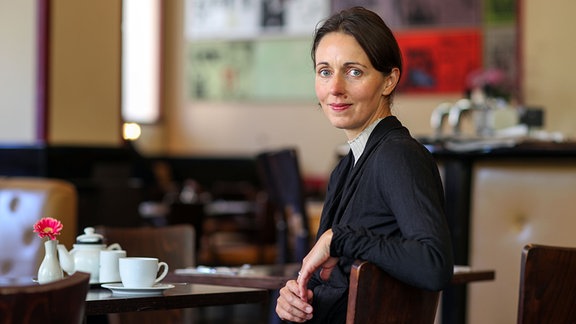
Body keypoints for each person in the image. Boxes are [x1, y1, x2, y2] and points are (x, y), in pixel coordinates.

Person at [275, 6, 454, 323]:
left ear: (389, 81)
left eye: (354, 71)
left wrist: (338, 238)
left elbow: (434, 264)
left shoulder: (398, 156)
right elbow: (327, 277)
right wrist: (295, 297)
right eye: (325, 71)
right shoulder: (346, 167)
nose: (335, 88)